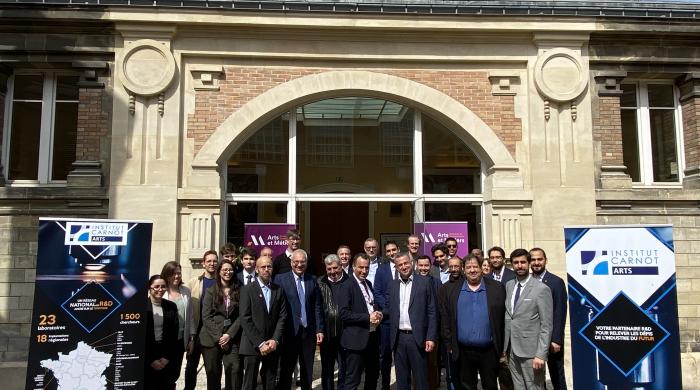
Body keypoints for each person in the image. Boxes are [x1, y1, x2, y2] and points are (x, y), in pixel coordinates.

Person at [439, 254, 506, 390]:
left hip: (489, 351)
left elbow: (503, 318)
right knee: (466, 386)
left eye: (475, 266)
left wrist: (503, 346)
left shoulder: (497, 288)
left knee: (490, 385)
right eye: (468, 267)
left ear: (482, 269)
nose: (472, 270)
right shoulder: (451, 289)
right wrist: (449, 343)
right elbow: (445, 318)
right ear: (463, 269)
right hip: (463, 351)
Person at [382, 253, 437, 390]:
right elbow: (389, 308)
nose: (404, 267)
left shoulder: (425, 282)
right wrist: (379, 314)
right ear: (396, 267)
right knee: (402, 379)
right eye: (400, 265)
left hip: (417, 338)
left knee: (421, 379)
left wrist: (431, 337)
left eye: (406, 263)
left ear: (412, 263)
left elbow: (432, 311)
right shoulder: (392, 285)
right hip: (398, 338)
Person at [504, 248, 553, 390]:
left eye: (523, 262)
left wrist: (541, 354)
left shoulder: (541, 289)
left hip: (532, 352)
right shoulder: (509, 285)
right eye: (516, 263)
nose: (519, 266)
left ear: (529, 263)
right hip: (512, 350)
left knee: (535, 388)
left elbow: (546, 325)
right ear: (511, 265)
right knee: (518, 387)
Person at [277, 249, 325, 390]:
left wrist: (319, 329)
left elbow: (317, 307)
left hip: (307, 333)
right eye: (296, 262)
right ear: (291, 263)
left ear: (306, 263)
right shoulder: (280, 279)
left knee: (307, 370)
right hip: (289, 332)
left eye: (302, 262)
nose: (299, 264)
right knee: (286, 369)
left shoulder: (312, 280)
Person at [336, 253, 383, 390]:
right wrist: (367, 317)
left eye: (367, 268)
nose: (364, 271)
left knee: (373, 375)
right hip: (355, 341)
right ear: (353, 267)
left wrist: (377, 312)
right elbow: (343, 314)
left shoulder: (368, 283)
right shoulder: (346, 285)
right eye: (360, 267)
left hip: (372, 338)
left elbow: (370, 304)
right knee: (352, 381)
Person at [239, 256, 287, 390]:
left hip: (272, 345)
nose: (266, 269)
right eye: (263, 267)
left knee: (270, 381)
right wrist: (260, 343)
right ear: (257, 269)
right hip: (252, 345)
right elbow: (245, 318)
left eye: (269, 266)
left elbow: (282, 316)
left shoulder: (278, 290)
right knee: (249, 383)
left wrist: (275, 340)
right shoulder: (247, 289)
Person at [200, 259, 242, 390]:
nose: (228, 272)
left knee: (235, 369)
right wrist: (219, 338)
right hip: (211, 339)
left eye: (230, 269)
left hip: (231, 338)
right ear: (218, 272)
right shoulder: (210, 291)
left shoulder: (239, 289)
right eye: (224, 270)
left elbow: (242, 315)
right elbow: (206, 317)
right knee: (213, 374)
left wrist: (229, 335)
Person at [530, 247, 568, 390]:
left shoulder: (556, 282)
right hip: (533, 337)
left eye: (539, 259)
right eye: (533, 260)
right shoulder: (525, 281)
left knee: (556, 375)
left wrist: (556, 339)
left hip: (552, 339)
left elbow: (560, 311)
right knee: (536, 376)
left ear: (546, 261)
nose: (536, 262)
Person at [185, 250, 218, 390]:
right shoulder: (194, 282)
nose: (212, 263)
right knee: (191, 367)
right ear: (203, 263)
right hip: (196, 333)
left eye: (214, 261)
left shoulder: (222, 282)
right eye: (209, 261)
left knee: (212, 369)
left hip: (213, 333)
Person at [160, 261, 194, 385]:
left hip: (180, 340)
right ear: (166, 275)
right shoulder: (161, 291)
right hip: (163, 341)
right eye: (173, 274)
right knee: (163, 373)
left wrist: (191, 338)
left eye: (178, 273)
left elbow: (190, 316)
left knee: (175, 373)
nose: (176, 276)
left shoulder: (185, 291)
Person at [373, 240, 401, 390]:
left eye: (393, 249)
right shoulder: (381, 270)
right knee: (385, 354)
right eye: (388, 251)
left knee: (401, 354)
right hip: (387, 320)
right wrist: (389, 308)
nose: (391, 253)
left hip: (403, 319)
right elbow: (377, 292)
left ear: (398, 249)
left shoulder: (405, 267)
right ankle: (385, 385)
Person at [318, 254, 349, 390]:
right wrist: (319, 329)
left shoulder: (350, 282)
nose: (333, 271)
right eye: (329, 269)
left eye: (335, 268)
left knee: (344, 368)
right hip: (327, 334)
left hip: (345, 333)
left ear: (341, 266)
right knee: (327, 369)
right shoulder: (320, 283)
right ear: (326, 268)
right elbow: (317, 309)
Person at [145, 274, 180, 390]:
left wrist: (166, 357)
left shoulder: (171, 306)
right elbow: (139, 336)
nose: (160, 290)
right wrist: (151, 360)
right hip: (148, 354)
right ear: (150, 288)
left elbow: (174, 334)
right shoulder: (141, 307)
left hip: (166, 354)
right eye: (157, 286)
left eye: (163, 286)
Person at [415, 254, 441, 390]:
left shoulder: (437, 282)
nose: (424, 268)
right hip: (415, 331)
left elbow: (438, 308)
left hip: (432, 331)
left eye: (426, 265)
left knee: (432, 364)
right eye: (421, 265)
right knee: (416, 364)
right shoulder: (411, 281)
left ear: (430, 266)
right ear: (417, 266)